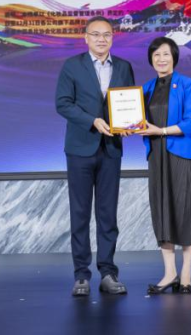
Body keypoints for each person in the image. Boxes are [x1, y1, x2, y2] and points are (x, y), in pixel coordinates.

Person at [54, 15, 135, 297]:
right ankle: (81, 275)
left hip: (111, 149)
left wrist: (130, 124)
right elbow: (63, 103)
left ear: (113, 38)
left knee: (107, 214)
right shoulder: (72, 65)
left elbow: (128, 103)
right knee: (80, 214)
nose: (102, 39)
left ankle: (108, 272)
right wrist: (92, 121)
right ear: (86, 37)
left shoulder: (123, 66)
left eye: (107, 35)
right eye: (96, 34)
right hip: (80, 148)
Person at [134, 36, 191, 295]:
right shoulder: (146, 89)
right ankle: (169, 273)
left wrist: (161, 130)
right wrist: (127, 126)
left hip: (182, 154)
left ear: (174, 57)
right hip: (157, 155)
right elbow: (135, 120)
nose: (161, 59)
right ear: (150, 59)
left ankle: (186, 273)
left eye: (165, 54)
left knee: (184, 211)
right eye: (156, 55)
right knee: (162, 212)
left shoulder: (187, 84)